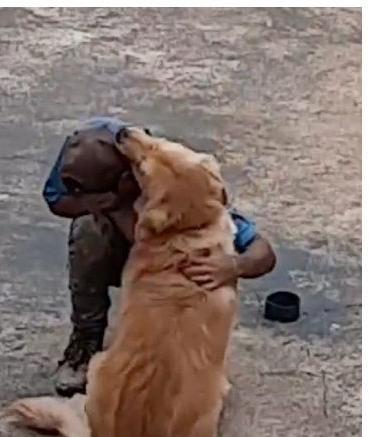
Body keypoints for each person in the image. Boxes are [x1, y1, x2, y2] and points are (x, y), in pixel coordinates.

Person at [42, 116, 276, 397]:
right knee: (87, 231)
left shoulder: (168, 185)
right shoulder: (80, 154)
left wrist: (233, 266)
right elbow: (55, 200)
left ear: (129, 181)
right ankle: (86, 339)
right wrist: (103, 206)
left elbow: (262, 251)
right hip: (125, 258)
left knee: (205, 257)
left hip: (169, 276)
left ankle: (189, 363)